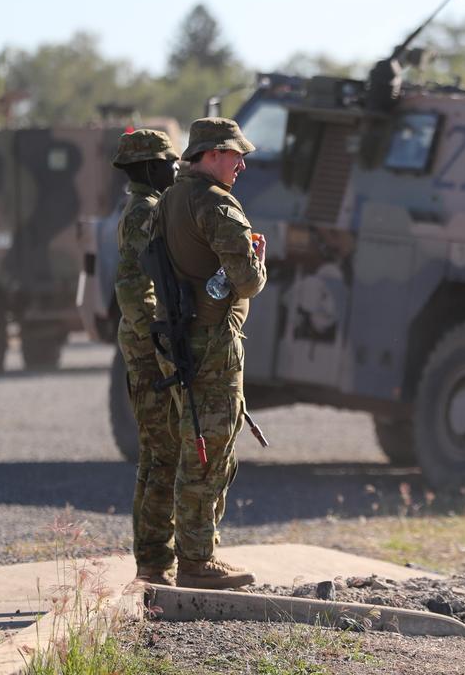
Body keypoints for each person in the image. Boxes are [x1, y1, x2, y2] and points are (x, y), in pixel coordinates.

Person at [153, 117, 266, 590]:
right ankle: (198, 560)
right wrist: (258, 259)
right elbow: (248, 282)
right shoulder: (217, 206)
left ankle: (197, 552)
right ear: (213, 153)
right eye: (235, 154)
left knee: (197, 445)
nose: (241, 163)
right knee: (208, 453)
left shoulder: (171, 199)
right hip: (211, 344)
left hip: (179, 340)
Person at [111, 129, 181, 586]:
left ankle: (152, 559)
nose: (176, 169)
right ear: (151, 167)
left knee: (156, 454)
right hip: (146, 348)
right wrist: (159, 343)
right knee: (164, 454)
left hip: (141, 343)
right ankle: (155, 560)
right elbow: (134, 285)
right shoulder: (147, 211)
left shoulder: (140, 208)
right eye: (169, 163)